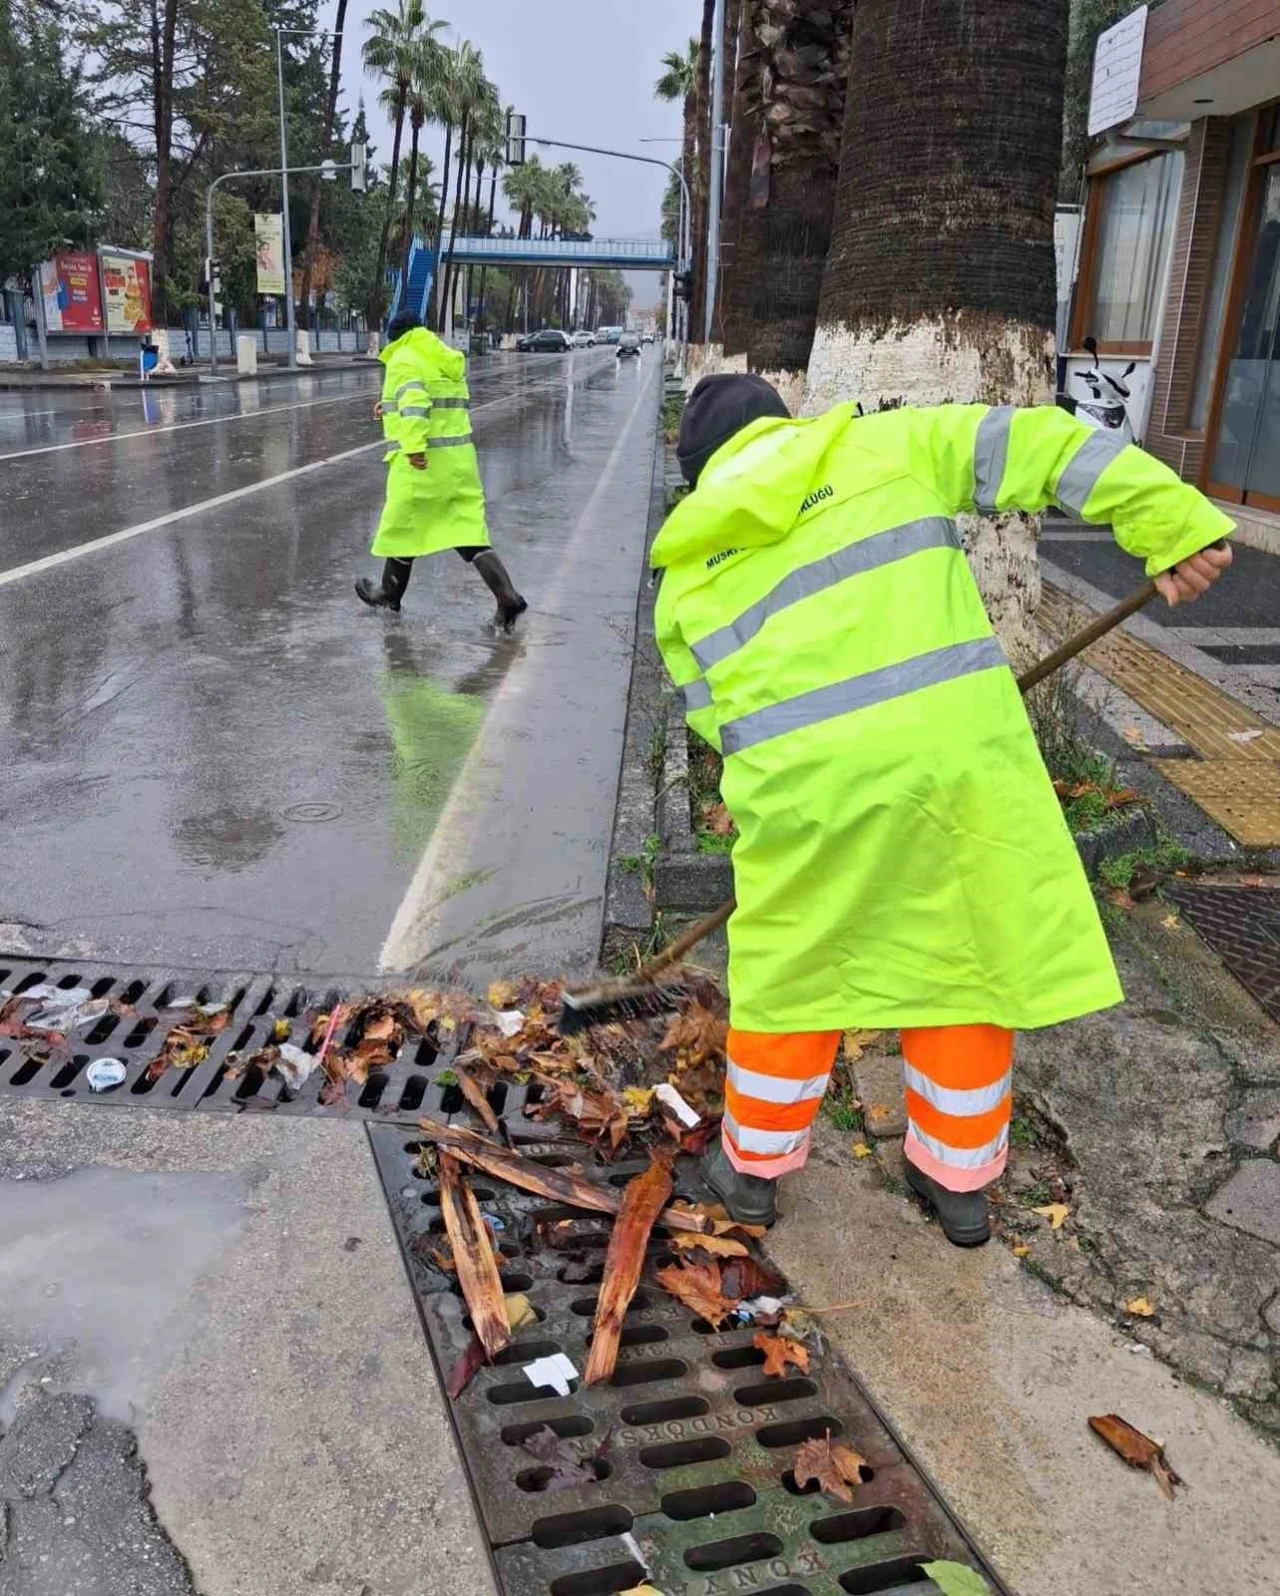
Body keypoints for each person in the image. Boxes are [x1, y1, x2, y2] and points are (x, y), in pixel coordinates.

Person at [653, 373, 1233, 1245]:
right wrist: (1173, 525)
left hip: (805, 795)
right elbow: (1048, 442)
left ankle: (750, 1173)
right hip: (955, 770)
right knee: (963, 960)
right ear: (786, 426)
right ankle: (955, 1182)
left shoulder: (686, 575)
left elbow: (714, 713)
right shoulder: (885, 448)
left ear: (702, 476)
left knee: (793, 977)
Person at [357, 309, 527, 633]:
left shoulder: (404, 357)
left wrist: (414, 448)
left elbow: (416, 404)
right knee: (467, 532)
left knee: (402, 524)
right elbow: (433, 402)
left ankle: (389, 593)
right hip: (459, 463)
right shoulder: (441, 356)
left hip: (423, 463)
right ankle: (507, 596)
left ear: (396, 336)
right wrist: (387, 405)